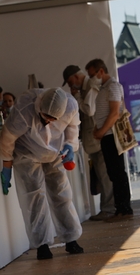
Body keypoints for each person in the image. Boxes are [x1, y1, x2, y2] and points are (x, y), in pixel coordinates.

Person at [0, 88, 84, 259]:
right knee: (34, 198)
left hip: (55, 153)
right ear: (39, 108)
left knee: (61, 193)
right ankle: (42, 245)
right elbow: (7, 138)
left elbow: (73, 126)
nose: (49, 121)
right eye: (46, 117)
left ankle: (71, 239)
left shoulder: (70, 106)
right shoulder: (24, 108)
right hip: (27, 154)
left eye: (54, 119)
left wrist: (70, 144)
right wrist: (7, 165)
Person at [63, 65, 116, 220]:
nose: (70, 86)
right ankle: (107, 207)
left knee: (104, 175)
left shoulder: (90, 88)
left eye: (69, 81)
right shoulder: (86, 88)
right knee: (101, 174)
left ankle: (108, 208)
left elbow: (89, 110)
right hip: (93, 139)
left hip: (97, 139)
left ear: (76, 77)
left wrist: (77, 98)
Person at [86, 58, 134, 222]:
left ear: (101, 71)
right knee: (113, 173)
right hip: (106, 134)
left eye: (92, 74)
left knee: (117, 172)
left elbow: (114, 113)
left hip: (111, 134)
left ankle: (124, 208)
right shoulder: (103, 88)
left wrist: (101, 130)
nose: (91, 78)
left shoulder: (112, 86)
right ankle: (120, 208)